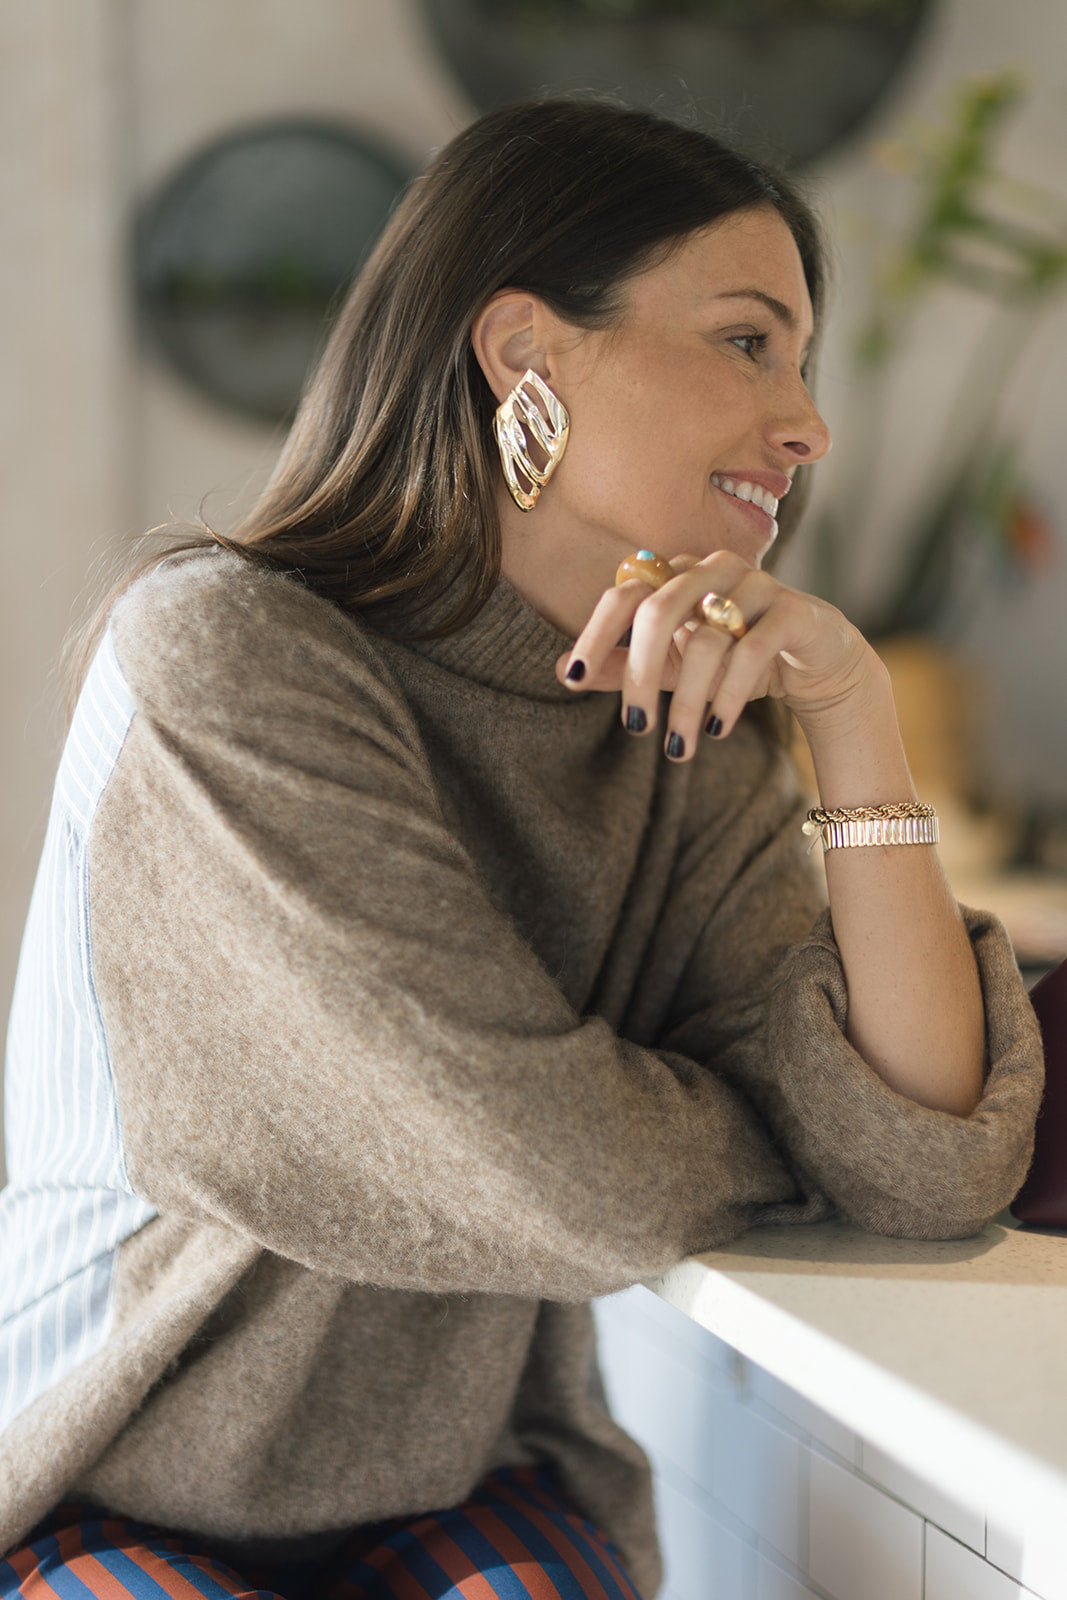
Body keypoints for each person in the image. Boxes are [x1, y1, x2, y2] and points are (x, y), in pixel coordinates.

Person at [0, 97, 1042, 1600]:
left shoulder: (684, 730)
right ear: (524, 355)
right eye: (750, 342)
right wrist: (757, 1133)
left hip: (468, 1484)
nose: (807, 422)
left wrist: (851, 717)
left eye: (802, 361)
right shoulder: (226, 659)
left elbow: (923, 1163)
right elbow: (571, 1188)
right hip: (100, 1480)